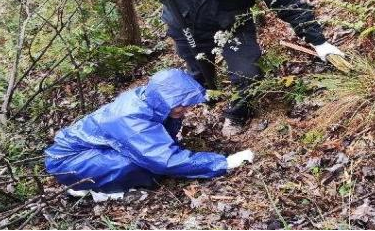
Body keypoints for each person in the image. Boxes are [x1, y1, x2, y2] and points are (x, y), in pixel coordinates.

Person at [111, 0, 344, 136]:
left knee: (248, 74)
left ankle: (238, 114)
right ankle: (202, 101)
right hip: (184, 24)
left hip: (233, 27)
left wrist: (318, 41)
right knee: (199, 72)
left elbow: (288, 4)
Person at [44, 69, 253, 201]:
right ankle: (98, 191)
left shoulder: (153, 101)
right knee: (136, 164)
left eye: (188, 104)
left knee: (146, 161)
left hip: (86, 153)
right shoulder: (131, 117)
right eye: (181, 105)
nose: (186, 110)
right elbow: (164, 160)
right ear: (163, 98)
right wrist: (223, 163)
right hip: (67, 162)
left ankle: (95, 184)